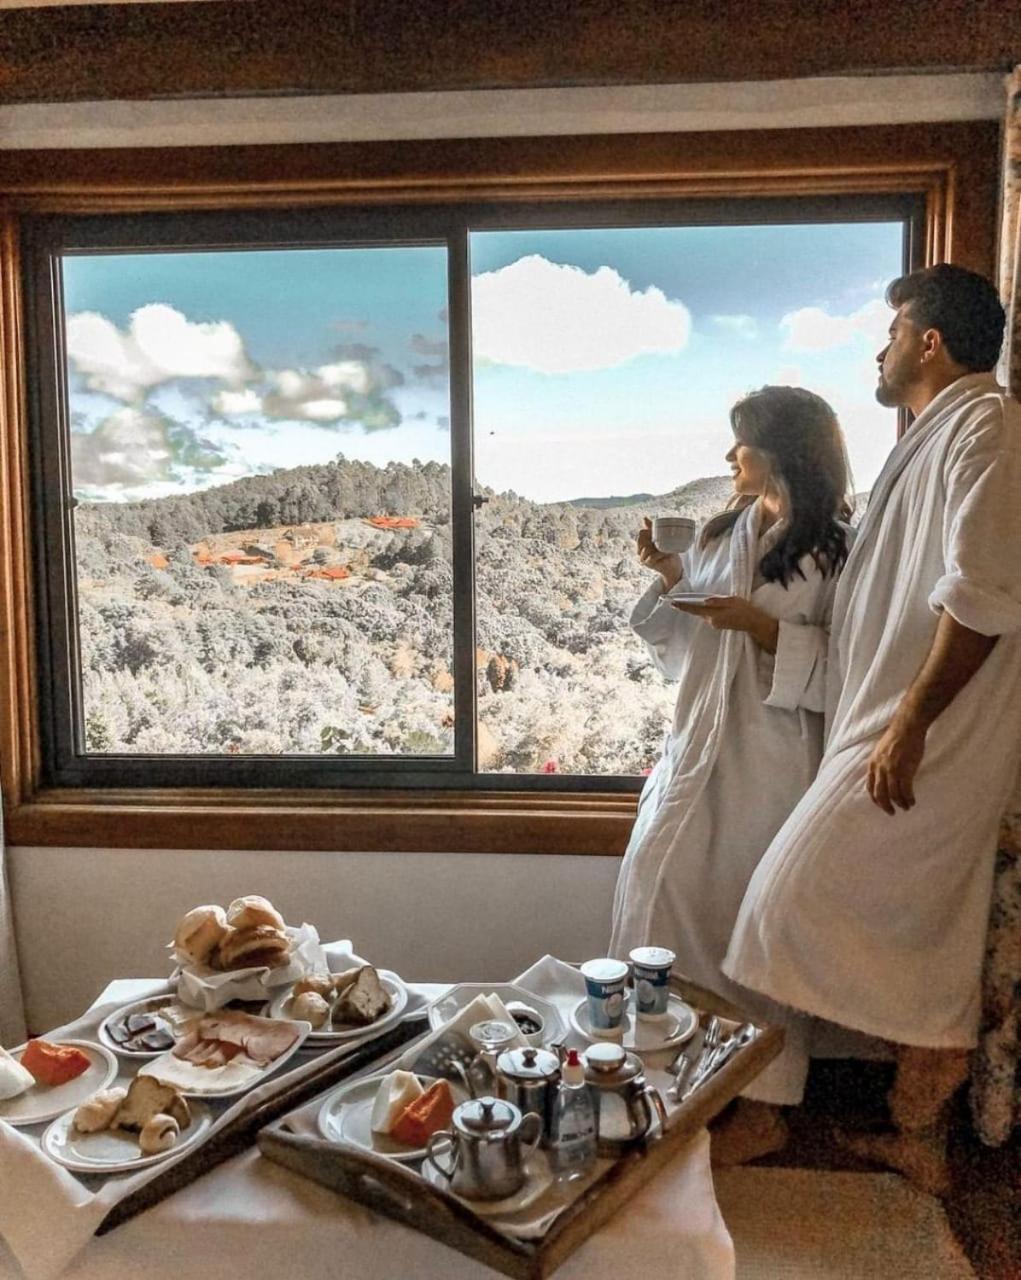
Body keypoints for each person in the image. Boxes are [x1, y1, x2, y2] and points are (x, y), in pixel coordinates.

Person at [723, 264, 1021, 1193]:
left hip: (929, 736)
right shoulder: (932, 436)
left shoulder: (986, 426)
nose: (878, 351)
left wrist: (910, 726)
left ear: (928, 342)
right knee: (921, 939)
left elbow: (982, 596)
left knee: (780, 908)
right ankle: (917, 1138)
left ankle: (774, 1113)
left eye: (890, 334)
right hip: (886, 722)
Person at [610, 384, 852, 1144]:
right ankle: (670, 1081)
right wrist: (669, 576)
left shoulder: (839, 548)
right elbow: (691, 649)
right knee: (662, 901)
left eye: (740, 442)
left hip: (770, 759)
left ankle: (764, 1107)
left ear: (779, 451)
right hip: (695, 751)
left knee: (752, 926)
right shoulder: (722, 530)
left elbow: (854, 662)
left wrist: (762, 627)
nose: (728, 456)